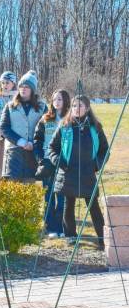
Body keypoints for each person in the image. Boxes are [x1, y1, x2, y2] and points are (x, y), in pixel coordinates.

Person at [48, 95, 108, 249]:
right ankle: (70, 236)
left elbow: (104, 150)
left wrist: (97, 165)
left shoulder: (95, 127)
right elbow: (52, 148)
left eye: (80, 106)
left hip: (88, 173)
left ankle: (103, 238)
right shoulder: (64, 126)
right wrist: (60, 162)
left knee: (93, 206)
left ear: (87, 108)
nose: (76, 108)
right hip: (68, 172)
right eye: (74, 106)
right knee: (68, 205)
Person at [34, 89, 71, 238]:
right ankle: (50, 228)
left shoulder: (70, 119)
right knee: (48, 194)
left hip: (63, 162)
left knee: (61, 195)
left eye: (60, 99)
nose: (57, 102)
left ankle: (61, 227)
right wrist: (41, 159)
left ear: (66, 101)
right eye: (54, 99)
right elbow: (37, 140)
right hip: (48, 162)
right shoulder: (45, 119)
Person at [0, 70, 47, 183]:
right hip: (13, 153)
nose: (23, 89)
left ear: (32, 90)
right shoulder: (10, 106)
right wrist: (21, 142)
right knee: (12, 190)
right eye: (21, 86)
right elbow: (4, 128)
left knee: (28, 191)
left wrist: (33, 143)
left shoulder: (42, 107)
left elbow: (47, 129)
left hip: (32, 153)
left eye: (27, 86)